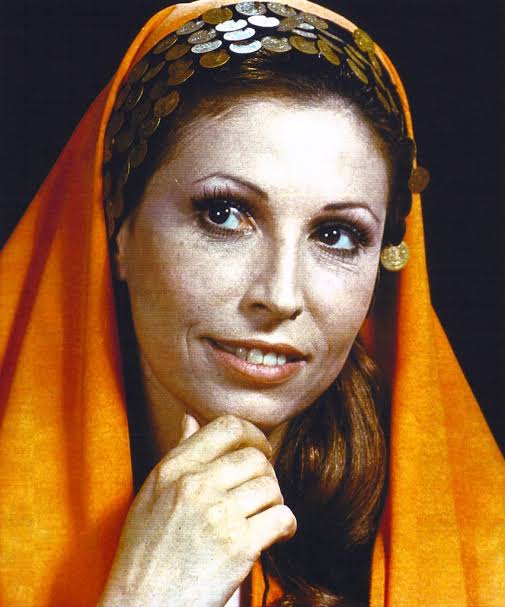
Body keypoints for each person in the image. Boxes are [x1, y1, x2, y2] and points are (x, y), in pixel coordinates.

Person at [0, 1, 503, 606]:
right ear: (119, 227)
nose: (280, 296)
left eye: (337, 235)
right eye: (224, 214)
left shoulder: (482, 560)